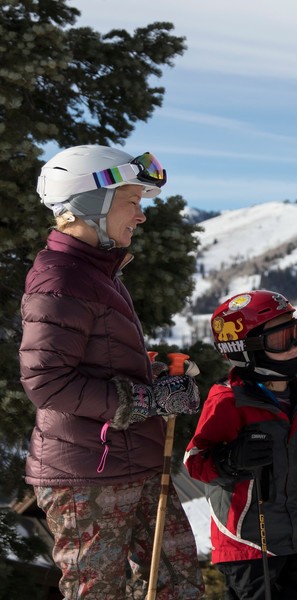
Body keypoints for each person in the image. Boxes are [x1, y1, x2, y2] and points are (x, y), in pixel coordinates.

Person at [20, 145, 204, 598]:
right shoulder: (62, 279)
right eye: (132, 201)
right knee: (99, 591)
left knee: (178, 583)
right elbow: (46, 382)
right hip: (86, 471)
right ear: (92, 203)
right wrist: (144, 400)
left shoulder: (98, 274)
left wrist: (156, 377)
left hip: (132, 459)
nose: (141, 215)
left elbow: (98, 359)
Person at [184, 290, 297, 600]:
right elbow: (196, 461)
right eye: (282, 339)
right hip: (249, 540)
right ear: (245, 348)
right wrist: (231, 458)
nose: (295, 345)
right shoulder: (229, 400)